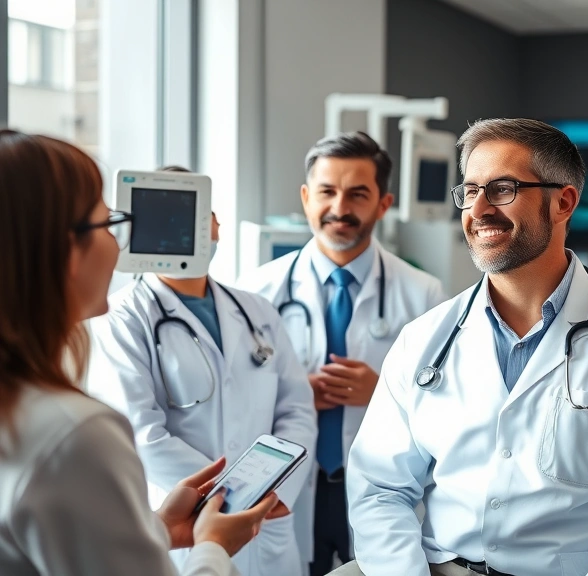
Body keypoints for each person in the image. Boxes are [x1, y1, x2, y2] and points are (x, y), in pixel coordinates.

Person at [335, 118, 588, 576]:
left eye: (502, 189)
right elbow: (379, 487)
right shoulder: (423, 339)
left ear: (564, 202)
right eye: (470, 190)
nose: (478, 209)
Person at [0, 129, 278, 575]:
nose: (120, 244)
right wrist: (213, 546)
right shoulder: (76, 437)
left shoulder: (23, 411)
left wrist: (159, 529)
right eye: (110, 224)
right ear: (68, 251)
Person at [88, 165, 318, 576]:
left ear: (215, 226)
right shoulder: (124, 317)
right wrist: (234, 493)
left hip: (269, 517)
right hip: (186, 521)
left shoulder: (255, 309)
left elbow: (297, 408)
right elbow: (142, 434)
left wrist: (273, 487)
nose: (190, 227)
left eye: (201, 214)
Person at [236, 132, 446, 575]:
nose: (339, 208)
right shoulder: (257, 292)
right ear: (306, 197)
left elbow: (448, 412)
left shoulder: (423, 294)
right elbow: (234, 401)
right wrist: (292, 396)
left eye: (357, 194)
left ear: (383, 204)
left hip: (380, 489)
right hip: (289, 486)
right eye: (327, 192)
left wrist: (383, 391)